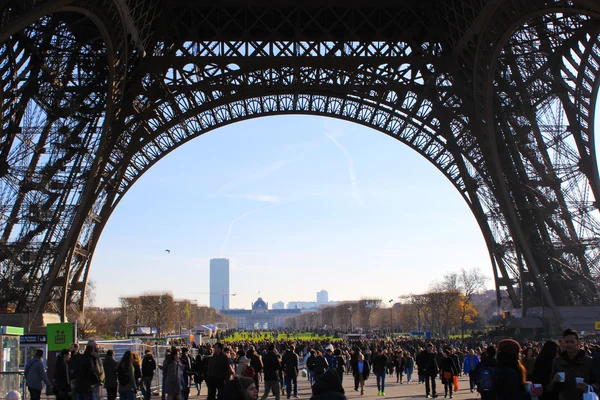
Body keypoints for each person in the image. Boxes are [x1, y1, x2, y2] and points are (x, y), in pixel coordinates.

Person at [550, 328, 597, 399]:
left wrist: (588, 387)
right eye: (567, 342)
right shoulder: (557, 361)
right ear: (563, 343)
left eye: (572, 342)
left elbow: (597, 383)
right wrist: (554, 381)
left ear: (578, 343)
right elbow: (550, 387)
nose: (569, 344)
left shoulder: (588, 361)